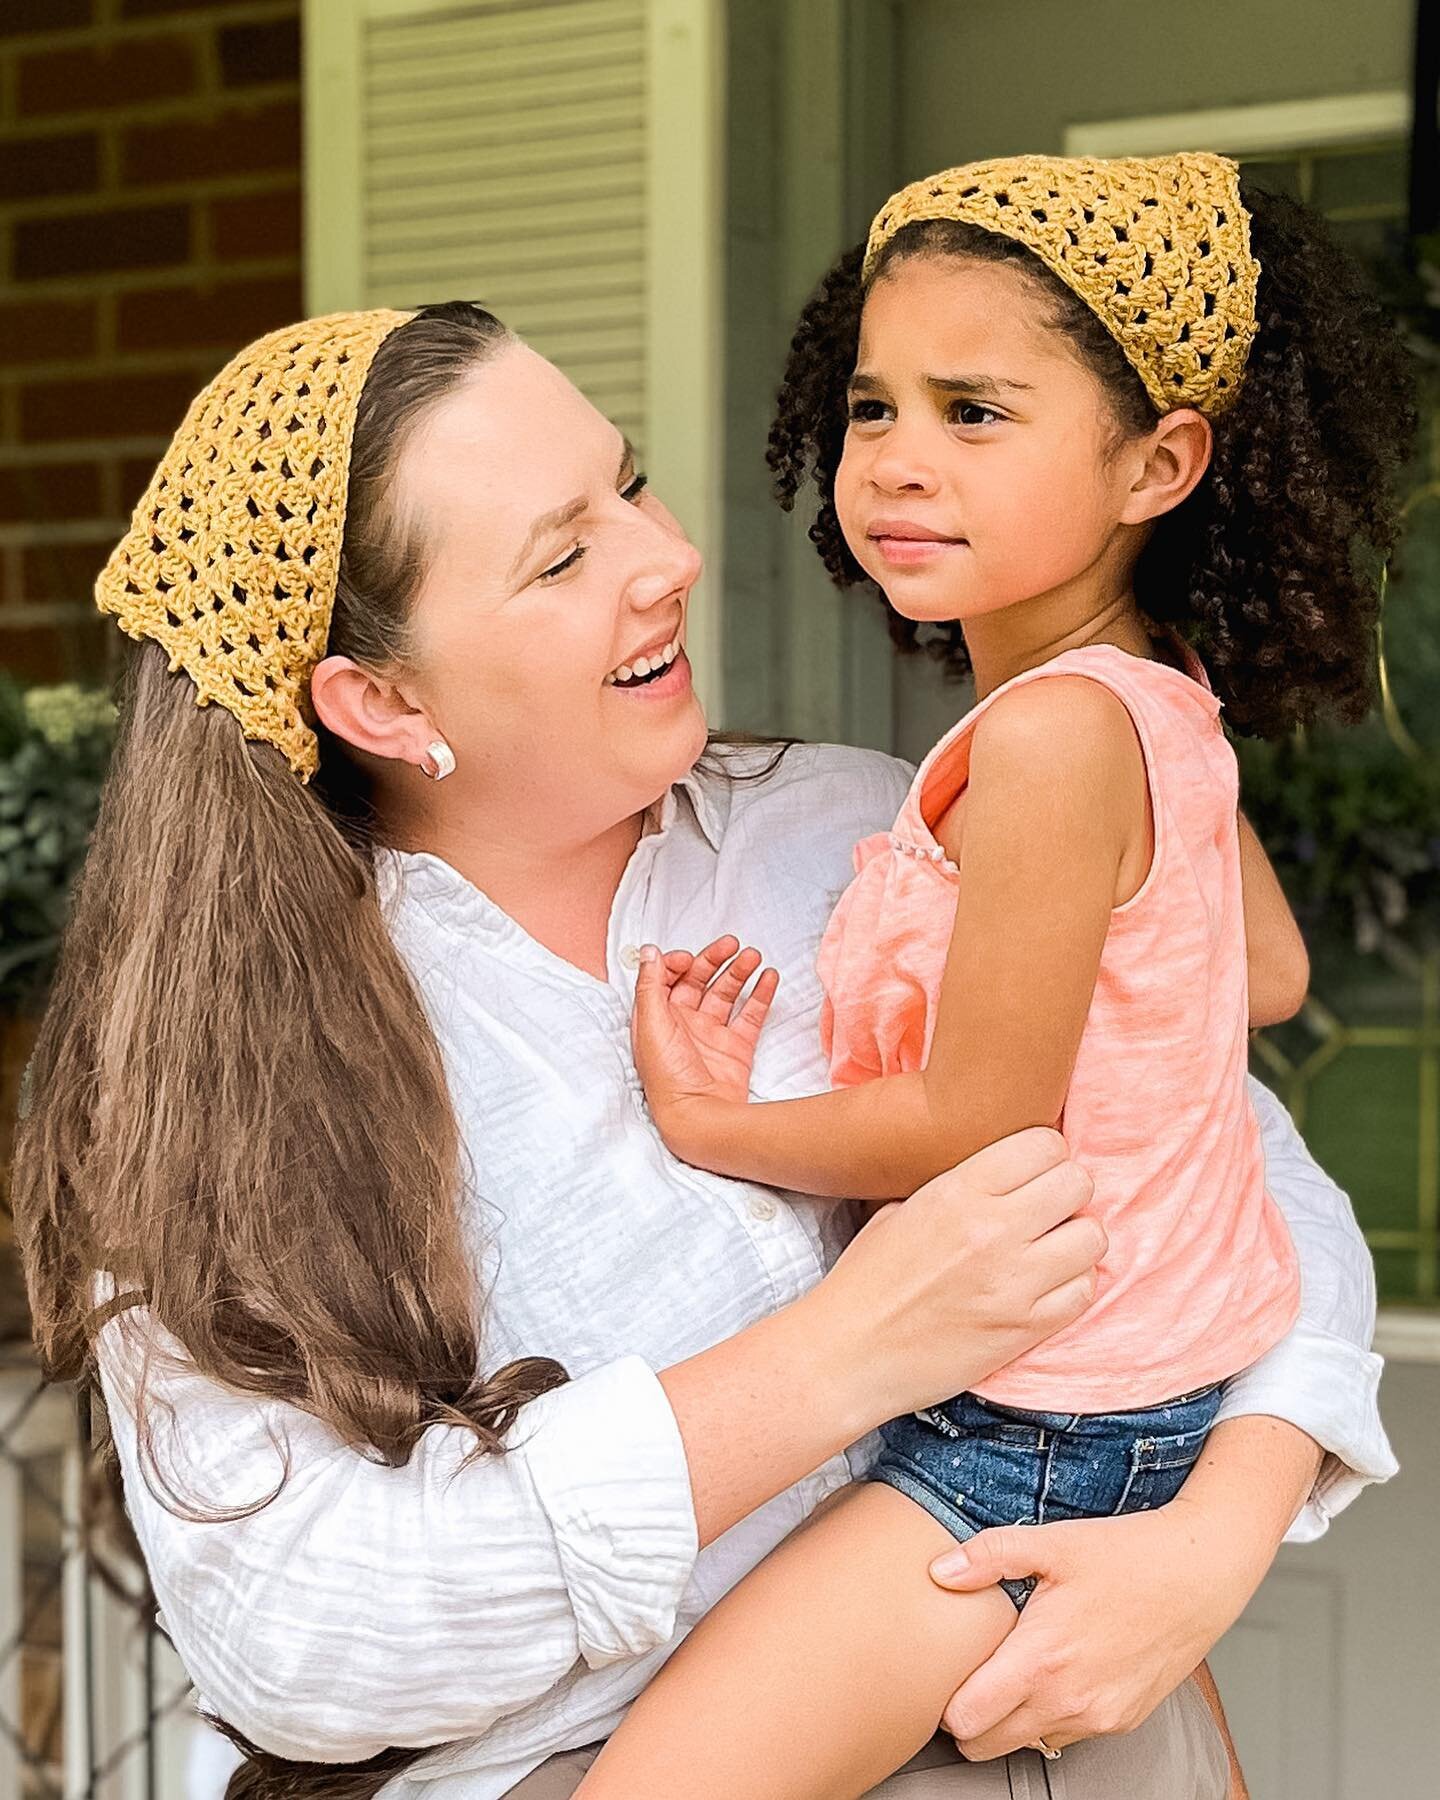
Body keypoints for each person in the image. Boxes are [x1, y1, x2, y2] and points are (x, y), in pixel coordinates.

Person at [9, 296, 1392, 1800]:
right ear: (383, 700)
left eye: (633, 482)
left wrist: (1218, 1529)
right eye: (562, 553)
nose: (668, 558)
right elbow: (303, 1638)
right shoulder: (228, 1085)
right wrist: (841, 1358)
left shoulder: (860, 830)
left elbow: (1235, 1167)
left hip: (1080, 1720)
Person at [574, 155, 1415, 1800]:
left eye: (975, 412)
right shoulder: (1157, 697)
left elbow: (979, 1123)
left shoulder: (1046, 741)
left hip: (1025, 1445)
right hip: (1142, 1400)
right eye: (872, 408)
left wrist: (714, 1116)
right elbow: (1263, 973)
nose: (895, 463)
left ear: (1159, 464)